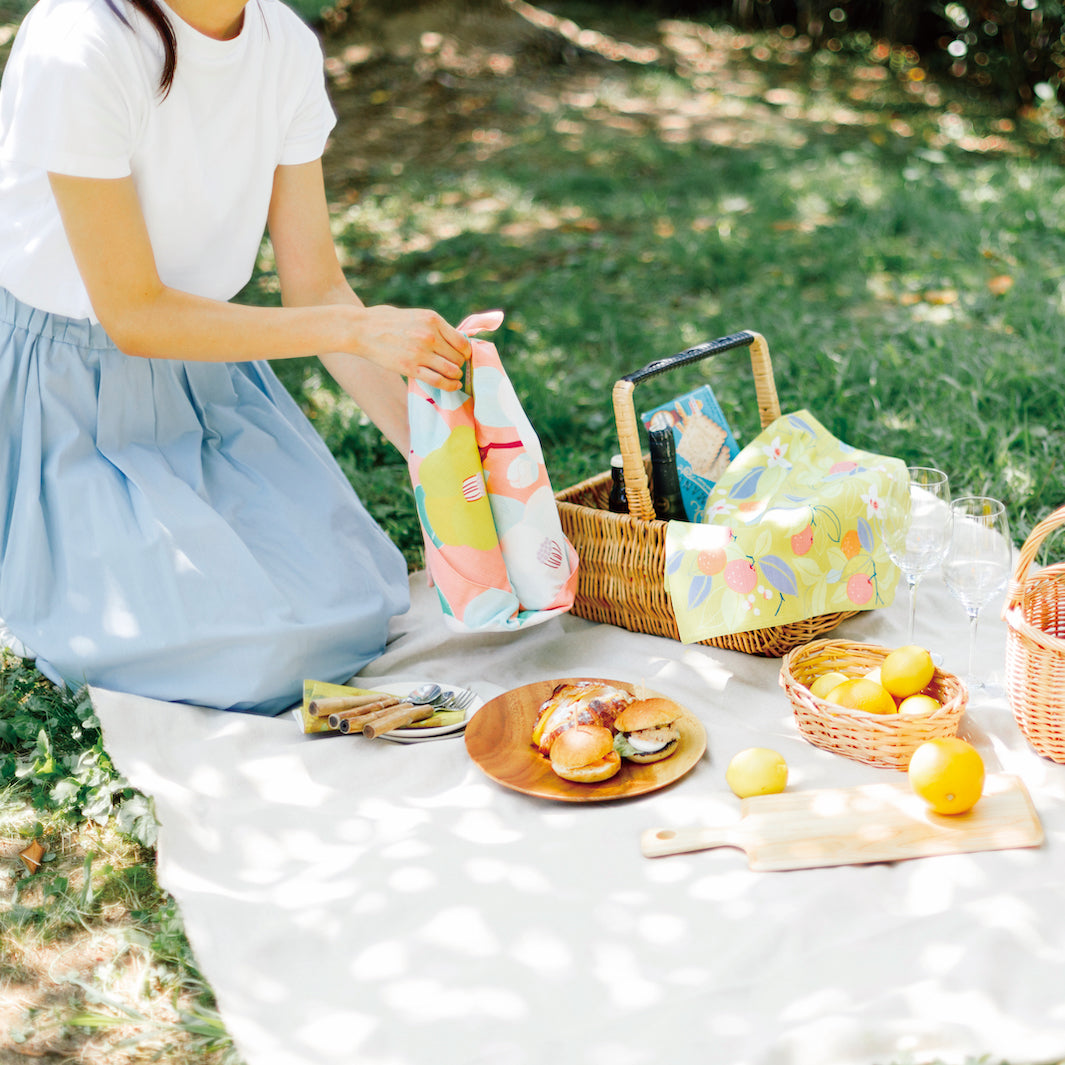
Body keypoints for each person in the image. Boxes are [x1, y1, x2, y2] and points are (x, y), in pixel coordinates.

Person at [0, 0, 473, 713]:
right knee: (250, 655)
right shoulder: (81, 40)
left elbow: (315, 283)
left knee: (349, 605)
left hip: (210, 381)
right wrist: (353, 331)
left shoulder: (281, 41)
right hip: (67, 397)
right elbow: (134, 315)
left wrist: (436, 454)